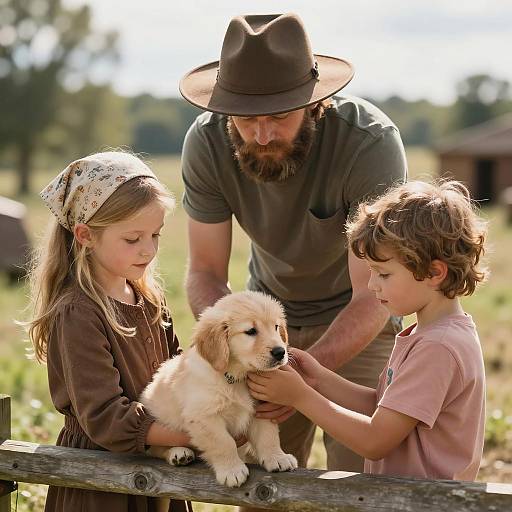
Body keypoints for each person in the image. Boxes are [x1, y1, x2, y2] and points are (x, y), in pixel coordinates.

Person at [179, 11, 407, 481]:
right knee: (264, 486)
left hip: (358, 316)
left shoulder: (369, 144)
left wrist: (304, 376)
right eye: (244, 120)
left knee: (362, 483)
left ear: (315, 102)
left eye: (279, 117)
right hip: (260, 320)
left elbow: (372, 294)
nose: (261, 135)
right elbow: (204, 271)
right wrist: (232, 350)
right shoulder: (204, 144)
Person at [248, 179, 487, 481]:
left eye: (384, 274)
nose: (372, 285)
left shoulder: (438, 347)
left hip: (424, 504)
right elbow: (383, 406)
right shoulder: (429, 334)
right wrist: (318, 379)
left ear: (433, 272)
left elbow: (375, 441)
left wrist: (301, 398)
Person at [28, 152, 192, 512]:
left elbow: (180, 374)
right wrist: (197, 436)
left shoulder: (148, 298)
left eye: (155, 235)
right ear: (86, 235)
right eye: (133, 238)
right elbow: (106, 417)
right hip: (101, 482)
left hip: (160, 465)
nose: (148, 249)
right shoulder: (78, 312)